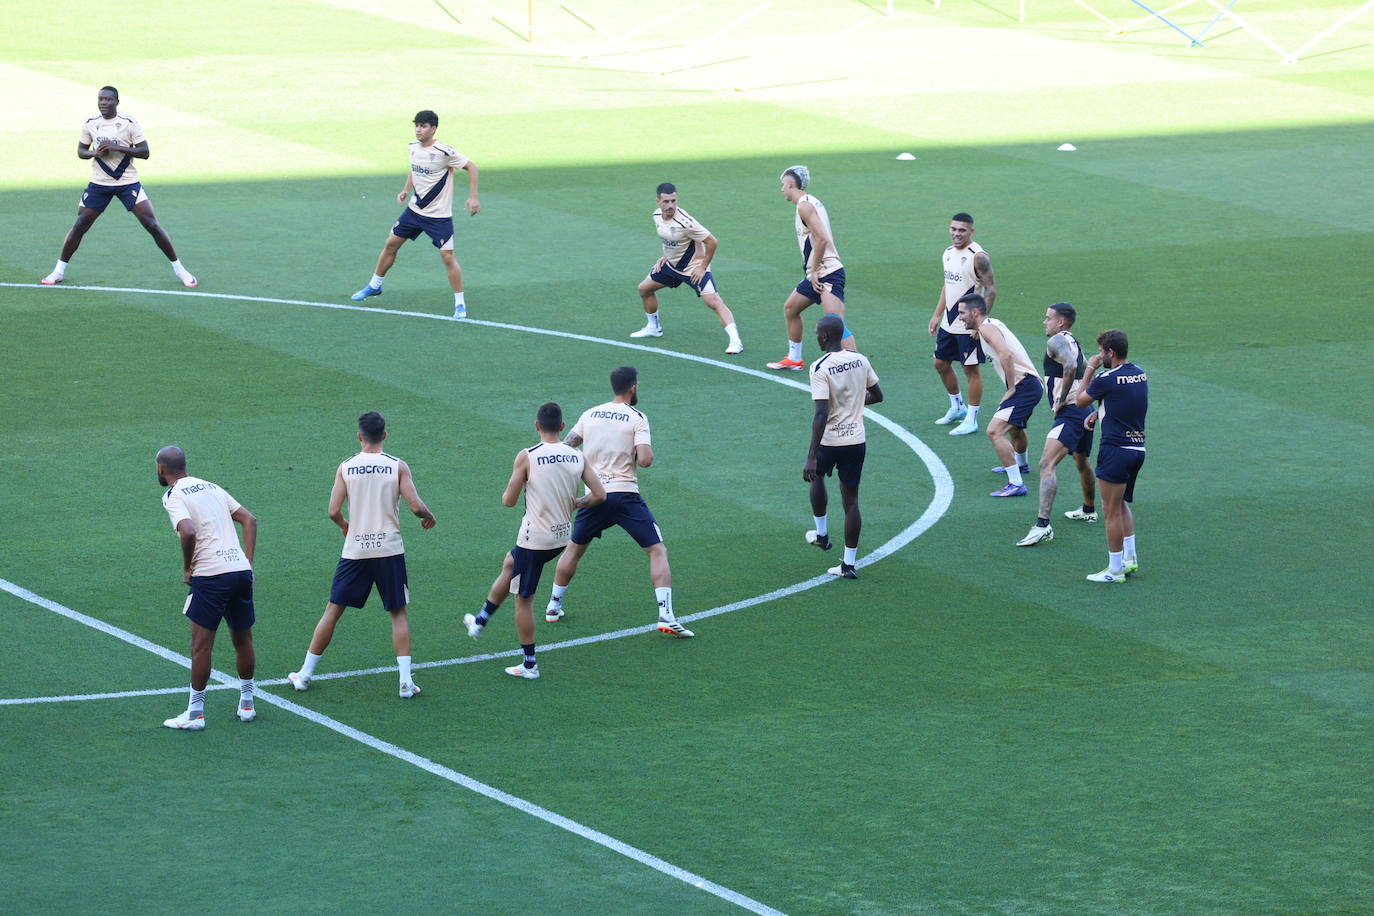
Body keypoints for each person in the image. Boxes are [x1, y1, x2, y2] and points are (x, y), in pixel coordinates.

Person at [288, 412, 437, 696]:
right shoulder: (396, 466)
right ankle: (405, 681)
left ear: (359, 436)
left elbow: (333, 510)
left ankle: (305, 674)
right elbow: (416, 506)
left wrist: (346, 526)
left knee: (333, 610)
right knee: (398, 613)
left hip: (356, 550)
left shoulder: (346, 467)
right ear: (385, 435)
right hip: (389, 549)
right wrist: (429, 516)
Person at [544, 367, 694, 637]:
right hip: (625, 496)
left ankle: (553, 605)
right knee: (657, 551)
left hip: (595, 496)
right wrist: (638, 455)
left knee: (575, 549)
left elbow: (568, 446)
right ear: (633, 387)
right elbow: (646, 460)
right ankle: (666, 615)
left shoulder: (590, 414)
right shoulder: (636, 417)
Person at [463, 403, 607, 679]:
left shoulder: (528, 456)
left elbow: (508, 501)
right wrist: (576, 503)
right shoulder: (576, 455)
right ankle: (480, 621)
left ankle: (529, 665)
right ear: (563, 427)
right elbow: (600, 495)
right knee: (510, 563)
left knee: (524, 600)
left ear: (537, 426)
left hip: (535, 539)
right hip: (562, 536)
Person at [41, 86, 197, 289]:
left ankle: (180, 270)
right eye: (100, 99)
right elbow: (81, 150)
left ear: (117, 102)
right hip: (100, 183)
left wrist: (117, 147)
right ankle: (58, 271)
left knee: (151, 224)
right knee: (80, 224)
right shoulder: (91, 123)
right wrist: (94, 154)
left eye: (108, 99)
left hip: (127, 182)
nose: (103, 103)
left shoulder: (128, 123)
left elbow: (144, 152)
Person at [156, 446, 257, 730]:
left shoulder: (173, 495)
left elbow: (187, 530)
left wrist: (187, 567)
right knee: (243, 639)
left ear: (161, 469)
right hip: (239, 571)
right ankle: (247, 704)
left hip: (211, 575)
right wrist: (247, 562)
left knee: (201, 645)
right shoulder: (213, 487)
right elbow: (250, 520)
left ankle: (195, 713)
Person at [350, 110, 479, 318]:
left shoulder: (444, 152)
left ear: (433, 128)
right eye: (417, 125)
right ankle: (375, 285)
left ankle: (460, 304)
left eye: (423, 126)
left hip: (438, 216)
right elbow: (414, 169)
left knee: (447, 257)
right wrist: (405, 190)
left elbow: (472, 167)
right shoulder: (412, 147)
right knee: (390, 244)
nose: (419, 129)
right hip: (414, 211)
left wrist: (473, 198)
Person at [804, 314, 883, 579]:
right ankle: (848, 564)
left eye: (817, 332)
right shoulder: (860, 359)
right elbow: (878, 395)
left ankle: (822, 535)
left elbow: (821, 413)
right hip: (856, 441)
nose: (815, 336)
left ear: (825, 336)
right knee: (851, 502)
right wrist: (854, 406)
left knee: (816, 477)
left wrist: (811, 455)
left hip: (830, 441)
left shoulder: (819, 367)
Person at [1017, 303, 1098, 546]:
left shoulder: (1056, 342)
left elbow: (1072, 366)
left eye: (1048, 318)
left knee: (1046, 463)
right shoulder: (1072, 341)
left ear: (1061, 322)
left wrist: (1061, 400)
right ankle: (1088, 509)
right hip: (1084, 409)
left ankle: (1043, 525)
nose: (1045, 322)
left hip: (1071, 412)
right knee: (1081, 460)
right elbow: (1083, 369)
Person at [630, 183, 744, 355]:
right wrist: (665, 257)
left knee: (713, 301)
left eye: (673, 201)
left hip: (693, 268)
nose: (670, 205)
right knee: (644, 289)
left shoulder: (686, 222)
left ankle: (736, 342)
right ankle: (654, 327)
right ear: (658, 202)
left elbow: (712, 242)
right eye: (666, 201)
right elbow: (668, 239)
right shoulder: (656, 215)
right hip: (671, 266)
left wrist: (703, 267)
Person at [1074, 329, 1148, 583]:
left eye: (1101, 352)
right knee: (1121, 504)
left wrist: (1088, 371)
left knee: (1110, 511)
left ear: (1111, 352)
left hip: (1115, 450)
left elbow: (1080, 401)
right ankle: (1130, 558)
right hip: (1137, 450)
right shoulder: (1139, 373)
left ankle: (1115, 570)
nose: (1099, 355)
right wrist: (1101, 412)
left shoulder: (1106, 378)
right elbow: (1128, 401)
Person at [767, 166, 856, 371]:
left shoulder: (804, 207)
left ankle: (856, 367)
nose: (782, 189)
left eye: (783, 185)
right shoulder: (811, 202)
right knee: (791, 308)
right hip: (816, 273)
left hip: (827, 273)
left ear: (790, 184)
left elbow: (822, 239)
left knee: (834, 324)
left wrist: (814, 271)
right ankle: (795, 358)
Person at [958, 294, 1044, 498]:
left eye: (962, 313)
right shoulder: (990, 325)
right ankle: (1021, 465)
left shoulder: (987, 328)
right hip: (1031, 384)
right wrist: (979, 332)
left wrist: (1011, 388)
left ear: (975, 312)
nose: (960, 318)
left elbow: (1006, 355)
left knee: (994, 431)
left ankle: (1016, 483)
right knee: (1015, 428)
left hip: (1024, 385)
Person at [928, 213, 995, 436]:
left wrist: (980, 324)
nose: (956, 234)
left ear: (971, 232)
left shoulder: (978, 257)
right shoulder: (947, 253)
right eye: (953, 229)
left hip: (969, 325)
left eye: (962, 230)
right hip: (949, 322)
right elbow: (947, 285)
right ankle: (957, 407)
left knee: (970, 369)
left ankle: (972, 418)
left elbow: (991, 290)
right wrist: (937, 315)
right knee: (940, 364)